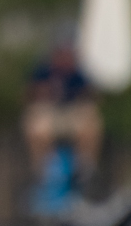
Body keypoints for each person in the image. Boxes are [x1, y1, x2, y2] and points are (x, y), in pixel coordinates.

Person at [23, 37, 103, 204]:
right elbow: (30, 96)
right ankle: (44, 170)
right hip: (50, 115)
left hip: (72, 116)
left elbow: (92, 98)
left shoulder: (80, 72)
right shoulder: (43, 71)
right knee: (37, 122)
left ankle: (84, 166)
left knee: (90, 117)